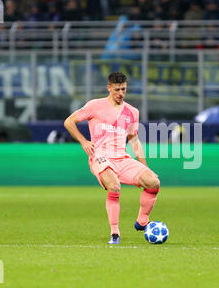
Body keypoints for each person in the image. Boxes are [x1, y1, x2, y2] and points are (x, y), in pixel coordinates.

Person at [63, 72, 160, 244]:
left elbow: (134, 140)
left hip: (122, 158)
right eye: (117, 90)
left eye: (123, 89)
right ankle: (115, 233)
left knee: (153, 182)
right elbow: (69, 122)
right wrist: (84, 142)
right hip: (100, 157)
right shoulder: (95, 106)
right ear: (109, 88)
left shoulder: (132, 112)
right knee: (114, 186)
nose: (121, 93)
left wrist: (144, 165)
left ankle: (142, 220)